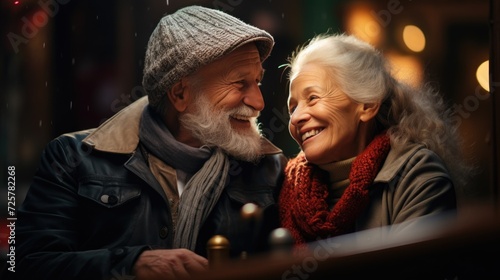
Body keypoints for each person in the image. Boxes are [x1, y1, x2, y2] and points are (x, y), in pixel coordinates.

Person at [9, 5, 286, 280]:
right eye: (239, 84)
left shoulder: (270, 169)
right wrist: (132, 264)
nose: (258, 103)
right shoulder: (71, 158)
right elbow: (27, 265)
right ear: (180, 94)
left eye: (257, 83)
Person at [278, 33, 472, 246]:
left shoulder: (418, 178)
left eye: (313, 98)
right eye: (293, 108)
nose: (296, 118)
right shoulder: (284, 187)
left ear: (368, 105)